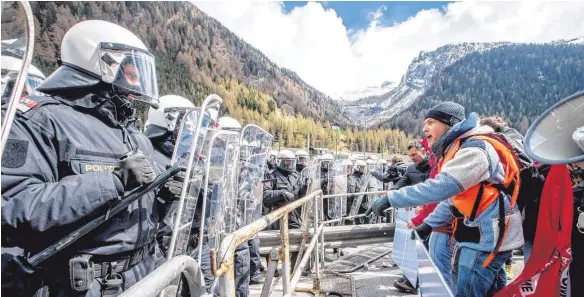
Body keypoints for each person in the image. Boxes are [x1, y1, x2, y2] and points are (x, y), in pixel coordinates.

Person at [1, 20, 164, 297]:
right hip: (84, 285)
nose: (137, 85)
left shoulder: (134, 134)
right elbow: (13, 207)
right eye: (132, 73)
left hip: (145, 274)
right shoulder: (38, 120)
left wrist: (166, 194)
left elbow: (139, 212)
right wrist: (111, 182)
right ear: (103, 64)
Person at [367, 102, 524, 297]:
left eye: (431, 122)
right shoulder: (457, 150)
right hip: (480, 235)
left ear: (449, 124)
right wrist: (427, 225)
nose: (424, 128)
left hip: (487, 238)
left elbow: (442, 187)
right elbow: (453, 198)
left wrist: (392, 198)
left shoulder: (475, 149)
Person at [391, 141, 432, 294]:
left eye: (414, 154)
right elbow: (401, 184)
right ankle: (411, 280)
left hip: (432, 214)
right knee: (417, 247)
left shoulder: (435, 168)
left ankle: (415, 282)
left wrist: (424, 203)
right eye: (410, 156)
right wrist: (390, 195)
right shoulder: (410, 169)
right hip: (417, 216)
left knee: (426, 249)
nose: (412, 158)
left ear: (424, 151)